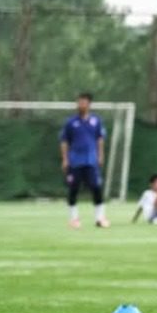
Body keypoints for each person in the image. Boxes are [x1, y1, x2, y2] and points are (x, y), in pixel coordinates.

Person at [59, 92, 109, 229]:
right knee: (73, 188)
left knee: (96, 187)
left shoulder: (96, 121)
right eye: (79, 102)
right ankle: (73, 219)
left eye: (83, 102)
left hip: (91, 161)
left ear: (89, 104)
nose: (81, 105)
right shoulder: (70, 122)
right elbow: (64, 141)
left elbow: (100, 139)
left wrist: (100, 156)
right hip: (75, 161)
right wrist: (65, 159)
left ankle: (100, 218)